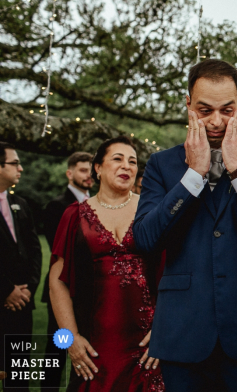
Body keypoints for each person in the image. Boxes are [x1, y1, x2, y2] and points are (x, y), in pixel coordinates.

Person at [133, 59, 237, 392]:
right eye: (205, 110)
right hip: (183, 334)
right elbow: (145, 240)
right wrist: (192, 176)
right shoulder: (161, 165)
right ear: (188, 106)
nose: (216, 122)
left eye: (227, 110)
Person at [49, 136, 164, 391]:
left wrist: (165, 331)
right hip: (95, 345)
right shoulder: (73, 216)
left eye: (132, 161)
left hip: (148, 344)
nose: (127, 166)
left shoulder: (154, 212)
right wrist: (70, 340)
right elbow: (57, 283)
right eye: (118, 159)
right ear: (98, 168)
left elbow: (177, 275)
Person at [41, 151, 93, 391]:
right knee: (59, 349)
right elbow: (59, 252)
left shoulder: (97, 204)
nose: (88, 175)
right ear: (69, 173)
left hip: (90, 292)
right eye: (83, 170)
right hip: (63, 288)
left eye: (91, 170)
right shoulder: (57, 206)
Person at [0, 142, 42, 392]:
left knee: (19, 376)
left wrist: (29, 289)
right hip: (3, 299)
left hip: (22, 305)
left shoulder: (21, 205)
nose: (21, 168)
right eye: (15, 163)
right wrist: (6, 290)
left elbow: (35, 250)